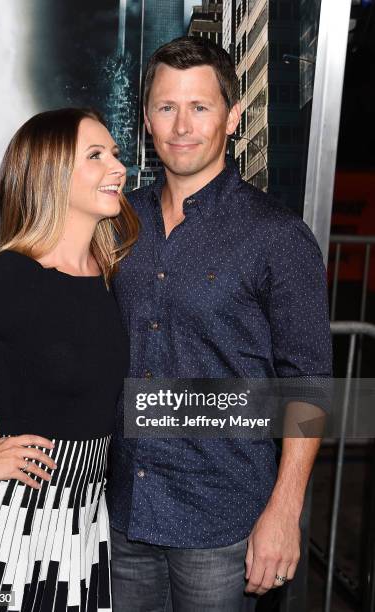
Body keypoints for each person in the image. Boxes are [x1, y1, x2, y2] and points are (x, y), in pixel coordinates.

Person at [107, 36, 332, 611]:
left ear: (233, 117)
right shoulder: (117, 225)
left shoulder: (277, 237)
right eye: (166, 106)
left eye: (200, 107)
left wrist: (284, 512)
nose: (182, 126)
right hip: (124, 511)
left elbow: (308, 384)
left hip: (223, 520)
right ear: (148, 119)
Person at [0, 107, 138, 611]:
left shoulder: (109, 273)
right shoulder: (13, 276)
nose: (118, 167)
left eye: (114, 154)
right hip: (8, 526)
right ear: (51, 174)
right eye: (95, 156)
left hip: (83, 525)